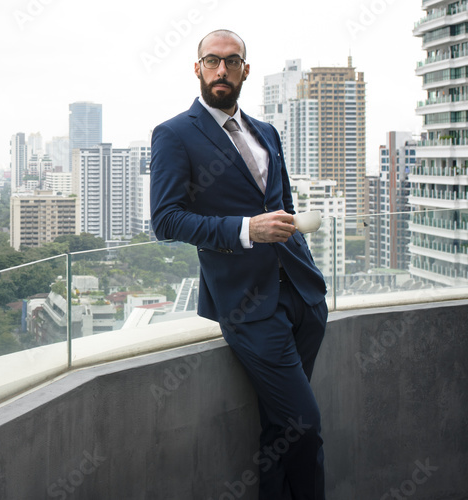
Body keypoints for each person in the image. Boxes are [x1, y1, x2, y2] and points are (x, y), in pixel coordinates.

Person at [149, 29, 329, 499]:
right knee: (305, 425)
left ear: (245, 69)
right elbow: (166, 220)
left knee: (281, 429)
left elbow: (282, 204)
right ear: (198, 68)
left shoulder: (266, 132)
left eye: (231, 62)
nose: (221, 70)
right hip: (248, 307)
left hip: (303, 297)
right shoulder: (174, 134)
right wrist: (247, 229)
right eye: (212, 61)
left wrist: (309, 275)